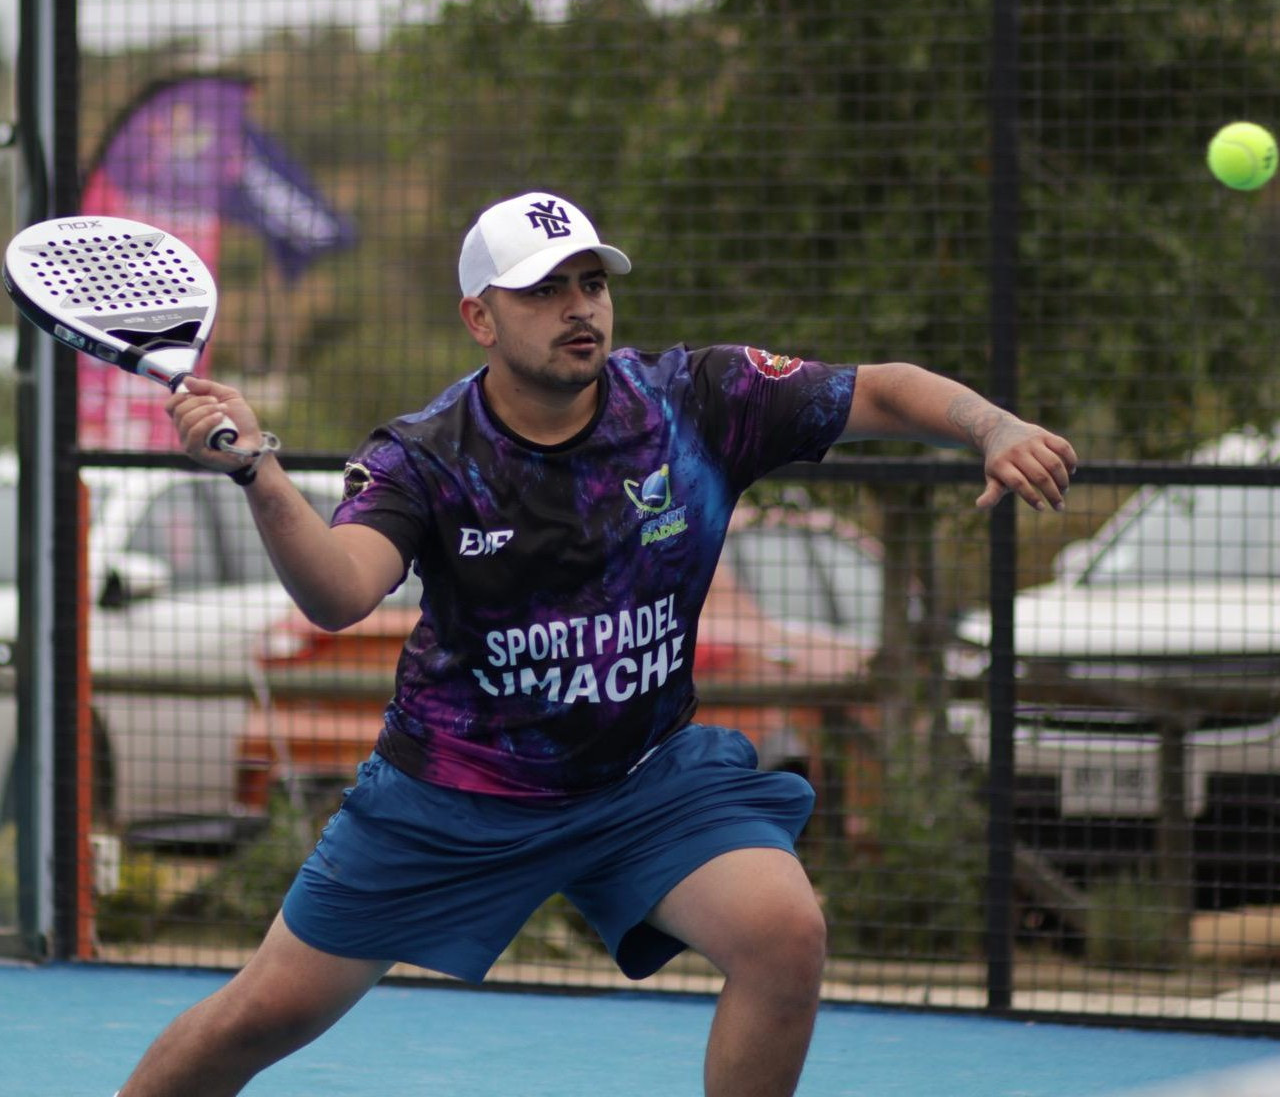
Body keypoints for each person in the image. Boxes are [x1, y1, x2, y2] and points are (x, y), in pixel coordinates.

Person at [117, 190, 1076, 1097]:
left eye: (590, 283)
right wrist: (258, 472)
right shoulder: (423, 455)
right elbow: (339, 593)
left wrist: (992, 426)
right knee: (260, 1018)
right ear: (480, 318)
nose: (578, 307)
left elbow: (889, 391)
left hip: (642, 785)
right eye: (542, 290)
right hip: (453, 797)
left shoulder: (697, 400)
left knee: (784, 933)